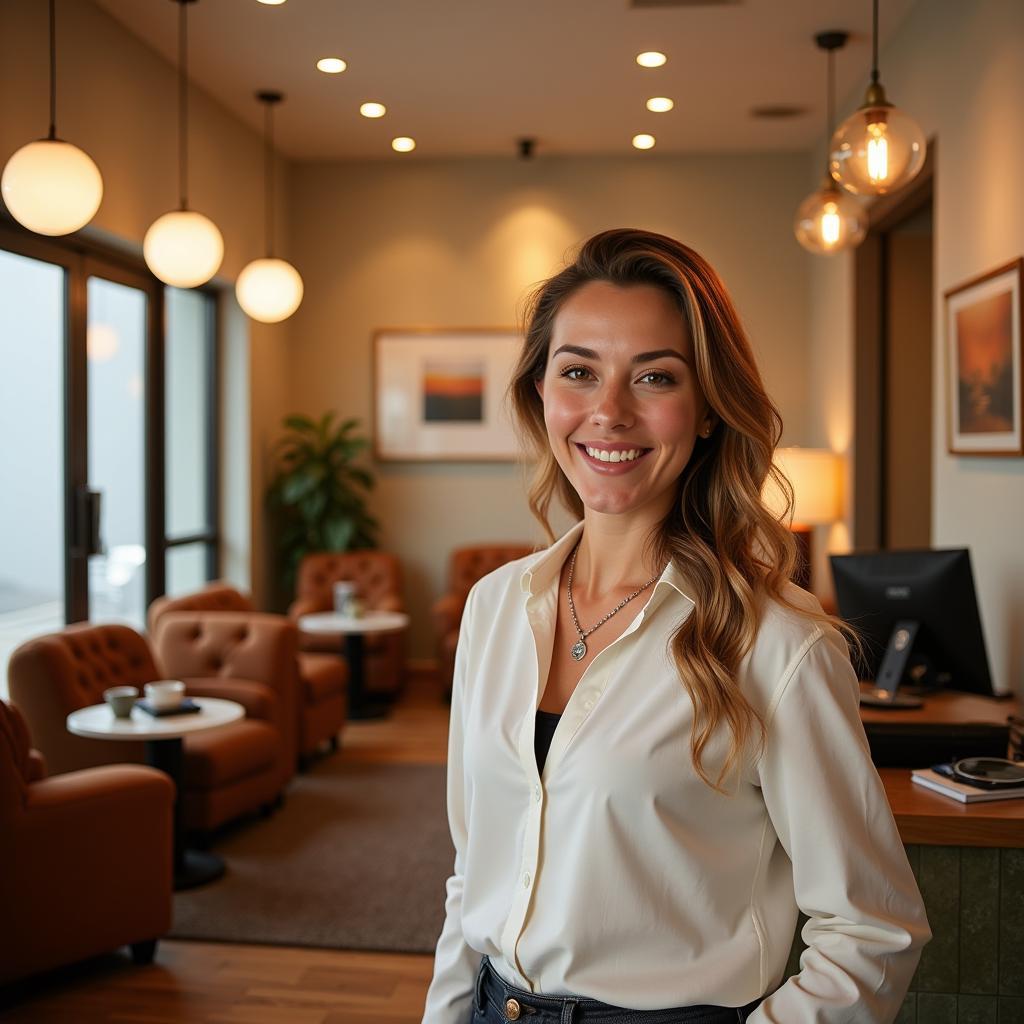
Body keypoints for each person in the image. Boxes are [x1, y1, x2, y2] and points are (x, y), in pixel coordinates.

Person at [421, 228, 930, 1024]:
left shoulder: (780, 645)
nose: (609, 412)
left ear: (705, 413)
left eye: (654, 377)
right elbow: (472, 872)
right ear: (540, 397)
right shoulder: (493, 608)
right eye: (578, 372)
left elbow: (872, 930)